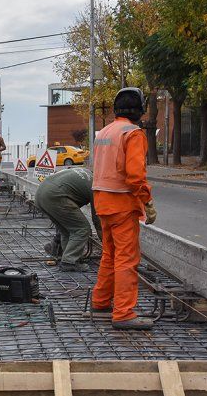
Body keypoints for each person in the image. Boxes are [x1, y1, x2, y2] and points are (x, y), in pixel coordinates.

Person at [91, 87, 157, 330]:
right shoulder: (133, 134)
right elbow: (135, 176)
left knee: (109, 254)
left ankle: (100, 301)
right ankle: (124, 313)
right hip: (122, 204)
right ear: (138, 110)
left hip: (102, 203)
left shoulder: (105, 132)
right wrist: (147, 202)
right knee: (127, 259)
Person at [35, 168, 102, 272]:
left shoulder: (84, 172)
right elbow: (97, 219)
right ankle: (70, 261)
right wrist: (105, 243)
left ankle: (66, 257)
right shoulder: (96, 186)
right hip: (54, 195)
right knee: (82, 229)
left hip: (40, 194)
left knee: (67, 230)